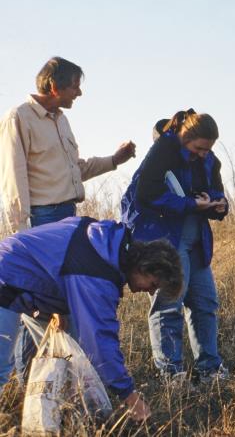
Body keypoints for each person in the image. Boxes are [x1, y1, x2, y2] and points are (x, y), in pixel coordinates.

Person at [0, 56, 136, 387]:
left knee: (61, 313)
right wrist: (22, 236)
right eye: (75, 85)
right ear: (54, 86)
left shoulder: (61, 121)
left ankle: (48, 385)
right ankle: (27, 384)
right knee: (35, 309)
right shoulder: (20, 118)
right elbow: (13, 179)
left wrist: (114, 161)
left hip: (66, 219)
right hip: (41, 220)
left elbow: (75, 168)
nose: (79, 93)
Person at [0, 216, 183, 422]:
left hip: (17, 273)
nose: (149, 291)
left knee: (61, 361)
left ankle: (51, 418)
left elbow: (59, 257)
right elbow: (99, 341)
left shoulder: (106, 243)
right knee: (1, 369)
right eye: (153, 284)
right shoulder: (99, 272)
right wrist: (129, 396)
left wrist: (56, 306)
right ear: (145, 267)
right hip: (6, 279)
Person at [121, 109, 228, 385]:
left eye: (208, 149)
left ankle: (210, 370)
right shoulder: (163, 152)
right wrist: (191, 204)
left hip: (196, 242)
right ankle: (171, 373)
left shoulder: (208, 159)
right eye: (199, 148)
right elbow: (148, 195)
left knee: (205, 303)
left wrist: (219, 205)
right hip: (166, 240)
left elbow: (216, 190)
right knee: (169, 304)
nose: (203, 153)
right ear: (185, 137)